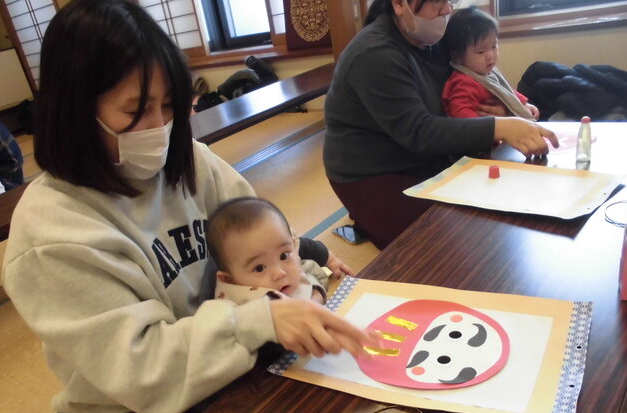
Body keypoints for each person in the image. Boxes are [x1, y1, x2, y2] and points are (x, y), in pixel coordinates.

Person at [2, 0, 374, 413]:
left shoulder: (190, 160)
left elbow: (263, 243)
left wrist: (304, 277)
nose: (159, 127)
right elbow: (143, 372)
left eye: (169, 105)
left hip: (231, 350)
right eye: (135, 110)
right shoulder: (53, 232)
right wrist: (261, 320)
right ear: (75, 109)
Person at [323, 0, 559, 249]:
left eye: (450, 0)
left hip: (428, 155)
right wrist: (499, 126)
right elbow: (418, 131)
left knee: (499, 213)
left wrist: (501, 108)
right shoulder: (374, 54)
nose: (447, 10)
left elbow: (473, 81)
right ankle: (367, 217)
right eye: (437, 2)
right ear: (399, 4)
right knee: (444, 244)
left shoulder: (434, 40)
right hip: (374, 171)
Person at [207, 197, 344, 304]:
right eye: (259, 268)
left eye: (283, 256)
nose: (280, 273)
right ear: (229, 280)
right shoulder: (238, 313)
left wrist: (329, 260)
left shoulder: (294, 264)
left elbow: (306, 258)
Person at [442, 7, 538, 120]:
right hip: (485, 129)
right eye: (480, 51)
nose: (490, 56)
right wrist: (488, 126)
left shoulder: (486, 72)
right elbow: (460, 111)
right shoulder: (464, 82)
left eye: (493, 46)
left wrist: (523, 104)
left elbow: (505, 91)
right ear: (458, 56)